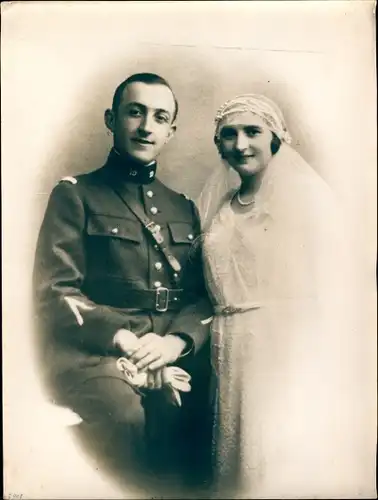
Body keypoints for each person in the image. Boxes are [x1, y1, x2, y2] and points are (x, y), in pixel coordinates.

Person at [33, 72, 213, 496]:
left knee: (202, 422)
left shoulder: (183, 208)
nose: (146, 126)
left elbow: (203, 295)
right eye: (135, 112)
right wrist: (127, 342)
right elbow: (55, 293)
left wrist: (176, 345)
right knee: (126, 417)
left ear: (172, 131)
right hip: (96, 352)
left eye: (159, 117)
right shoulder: (75, 195)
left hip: (168, 347)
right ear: (111, 119)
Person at [196, 94, 354, 498]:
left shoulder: (305, 197)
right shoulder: (218, 206)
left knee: (276, 461)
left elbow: (334, 287)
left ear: (275, 139)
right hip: (228, 345)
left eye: (253, 131)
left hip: (284, 349)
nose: (240, 144)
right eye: (229, 135)